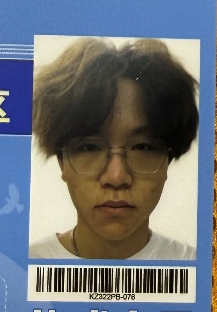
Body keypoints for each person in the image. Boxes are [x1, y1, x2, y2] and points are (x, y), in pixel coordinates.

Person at [29, 37, 198, 260]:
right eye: (90, 147)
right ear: (62, 161)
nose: (116, 177)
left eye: (142, 147)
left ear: (168, 159)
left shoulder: (200, 269)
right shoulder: (26, 266)